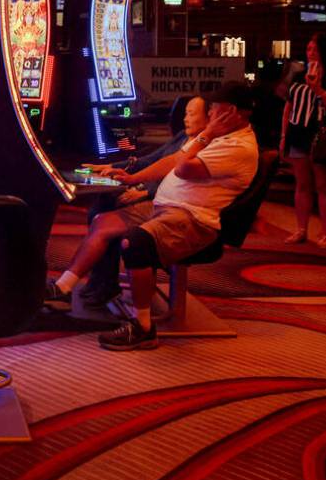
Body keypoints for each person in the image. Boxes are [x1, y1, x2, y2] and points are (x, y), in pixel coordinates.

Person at [90, 83, 260, 351]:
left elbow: (182, 169)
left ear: (233, 113)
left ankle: (143, 328)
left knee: (135, 244)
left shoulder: (237, 146)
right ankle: (73, 285)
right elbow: (170, 160)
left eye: (215, 108)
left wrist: (206, 135)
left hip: (194, 220)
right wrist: (133, 178)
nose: (211, 113)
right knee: (105, 218)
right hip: (167, 207)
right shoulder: (217, 137)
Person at [46, 96, 208, 309]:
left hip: (177, 211)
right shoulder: (182, 139)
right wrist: (111, 166)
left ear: (209, 118)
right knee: (101, 209)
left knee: (105, 211)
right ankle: (93, 283)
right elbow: (150, 162)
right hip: (155, 199)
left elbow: (178, 180)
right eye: (185, 113)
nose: (185, 118)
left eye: (192, 114)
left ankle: (99, 285)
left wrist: (143, 192)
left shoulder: (207, 149)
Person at [281, 34, 326, 249]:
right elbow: (289, 106)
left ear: (324, 52)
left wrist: (318, 89)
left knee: (323, 185)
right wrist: (284, 135)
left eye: (314, 49)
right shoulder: (299, 75)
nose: (310, 52)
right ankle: (301, 229)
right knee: (302, 184)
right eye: (308, 48)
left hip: (321, 133)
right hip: (298, 131)